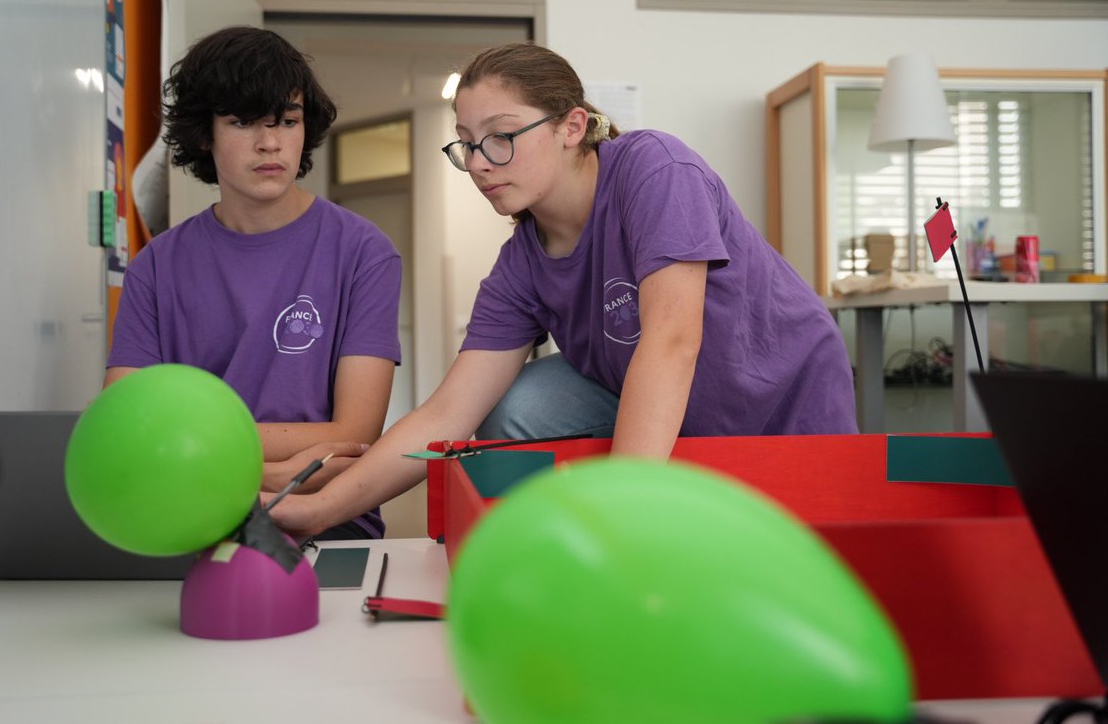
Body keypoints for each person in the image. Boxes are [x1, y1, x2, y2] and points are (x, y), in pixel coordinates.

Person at [263, 41, 856, 539]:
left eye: (500, 137)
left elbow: (672, 342)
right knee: (511, 405)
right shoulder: (520, 263)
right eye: (466, 143)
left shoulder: (655, 170)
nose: (478, 163)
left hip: (778, 393)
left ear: (573, 127)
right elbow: (445, 414)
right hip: (672, 407)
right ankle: (546, 539)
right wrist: (321, 510)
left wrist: (625, 516)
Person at [105, 26, 402, 539]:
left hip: (329, 523)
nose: (270, 143)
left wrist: (196, 446)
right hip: (189, 517)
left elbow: (355, 434)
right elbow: (127, 426)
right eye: (243, 122)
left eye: (287, 121)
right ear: (205, 133)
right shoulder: (155, 267)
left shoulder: (363, 252)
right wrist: (273, 473)